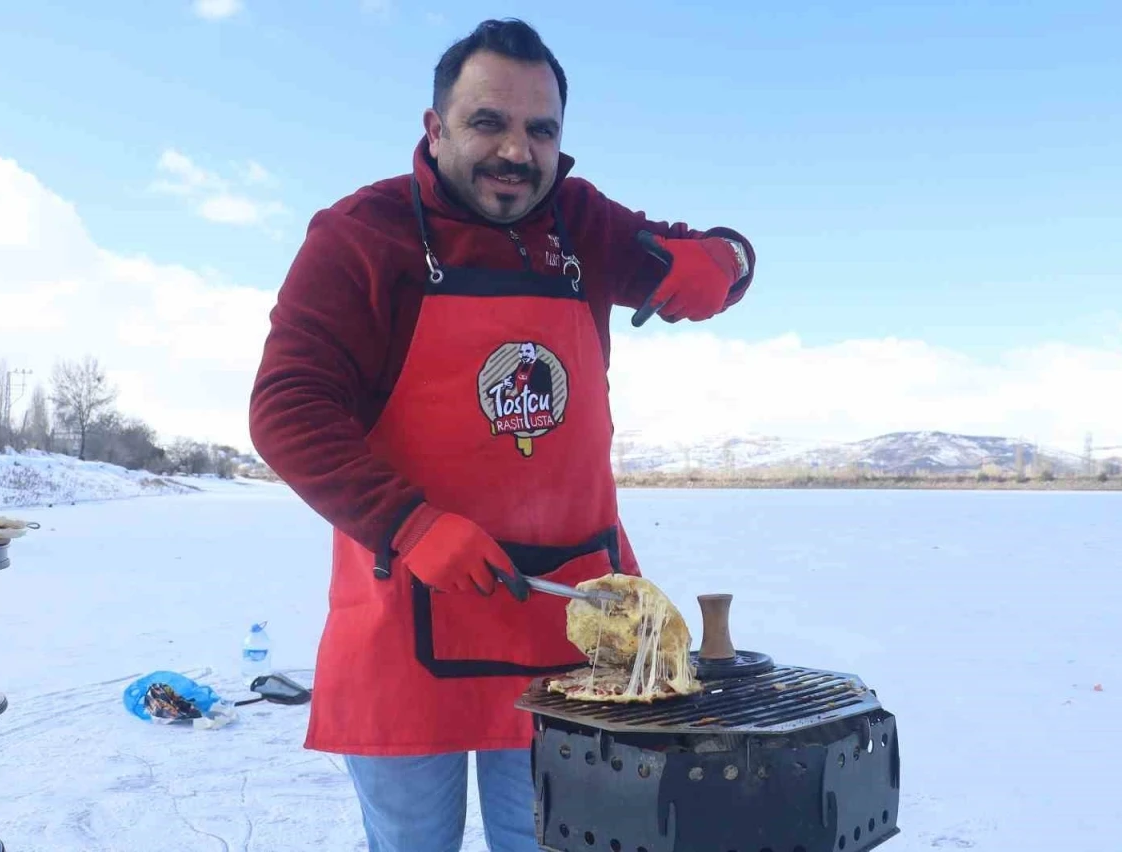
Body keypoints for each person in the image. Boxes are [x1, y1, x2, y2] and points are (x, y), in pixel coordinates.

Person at [248, 17, 757, 852]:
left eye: (540, 129)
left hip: (574, 625)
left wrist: (723, 263)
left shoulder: (580, 223)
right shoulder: (360, 237)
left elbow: (708, 253)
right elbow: (287, 407)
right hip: (409, 616)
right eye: (489, 122)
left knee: (557, 841)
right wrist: (411, 524)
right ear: (435, 126)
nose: (516, 152)